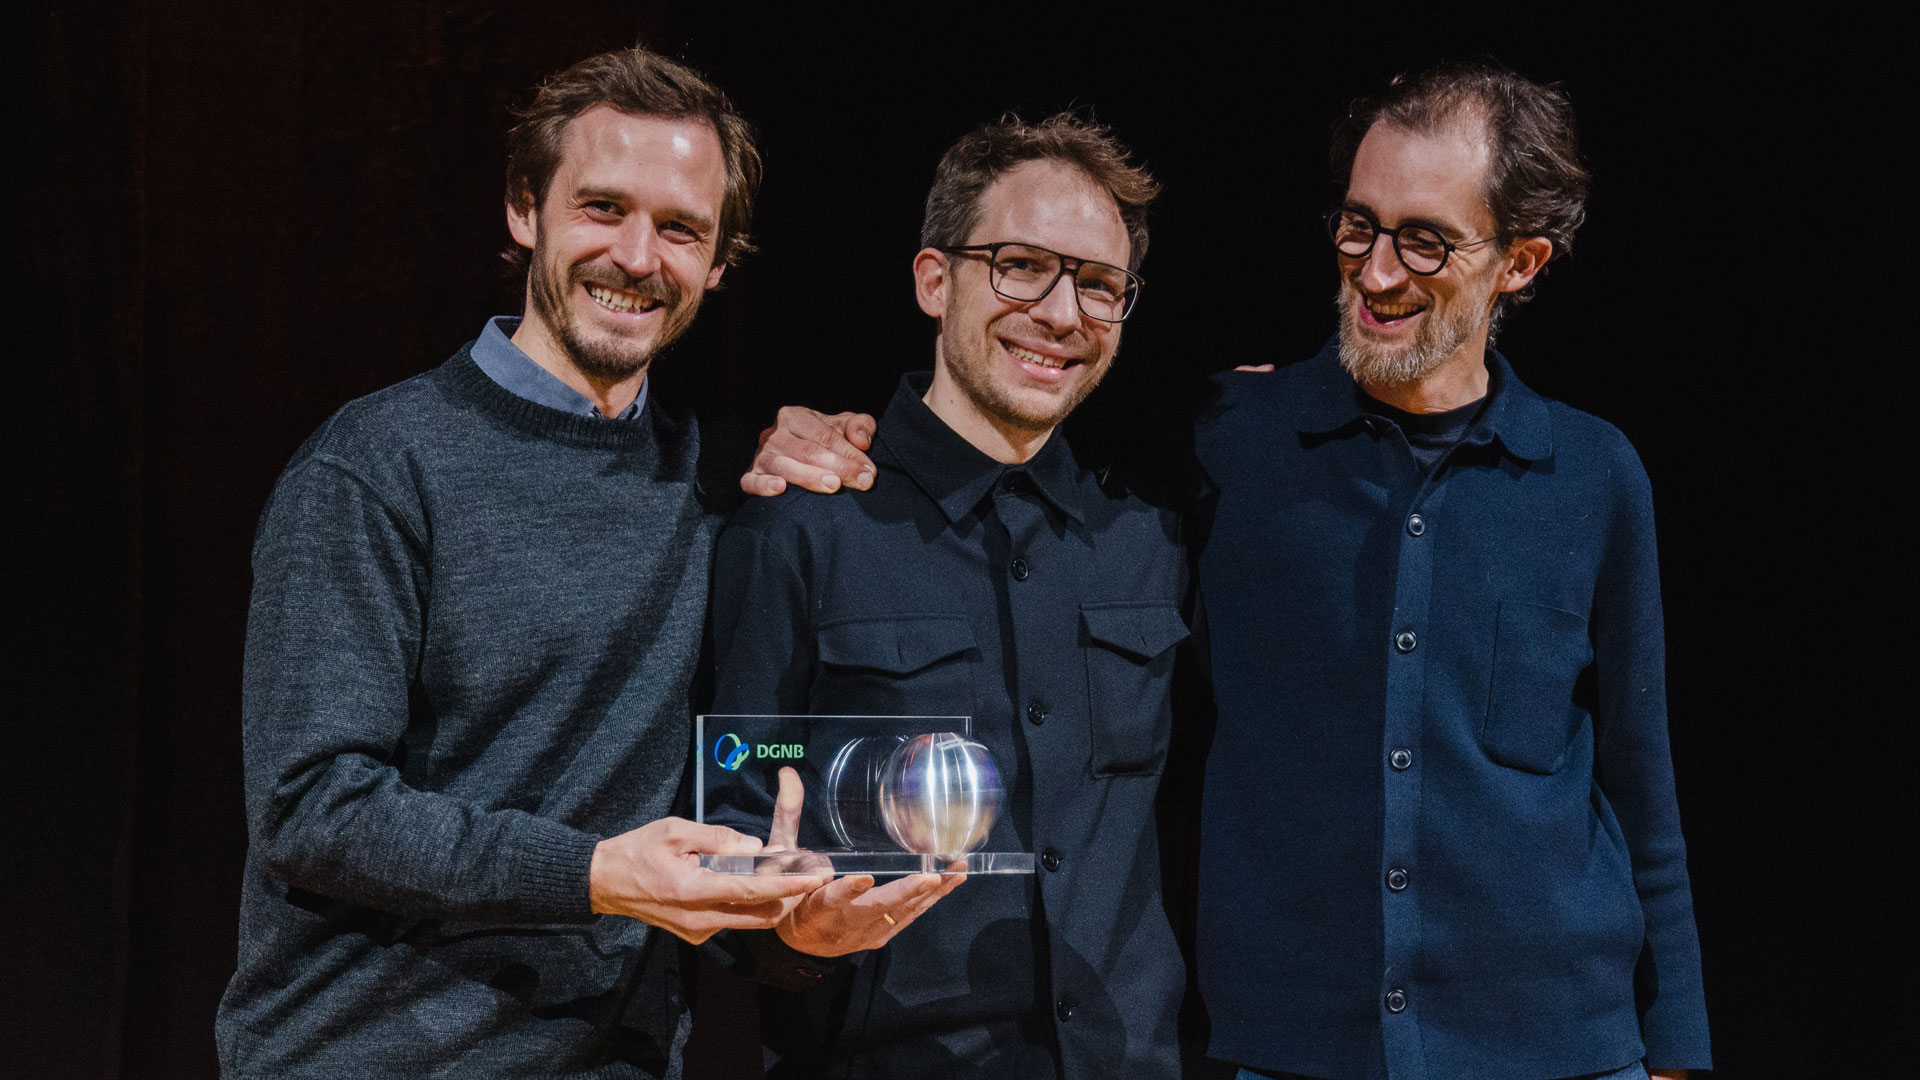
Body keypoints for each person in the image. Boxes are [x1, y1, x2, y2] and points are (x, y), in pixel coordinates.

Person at [748, 62, 1710, 1080]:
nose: (1376, 270)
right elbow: (1003, 404)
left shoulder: (1594, 474)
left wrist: (1677, 1047)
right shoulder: (1228, 440)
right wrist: (796, 427)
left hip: (1564, 1048)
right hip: (1299, 1050)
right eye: (1358, 225)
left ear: (1519, 262)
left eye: (1424, 240)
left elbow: (1640, 786)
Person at [216, 47, 824, 1080]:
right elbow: (312, 807)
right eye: (602, 208)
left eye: (680, 228)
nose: (637, 256)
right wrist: (591, 872)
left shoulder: (711, 485)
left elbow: (733, 763)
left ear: (719, 263)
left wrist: (799, 922)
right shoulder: (374, 467)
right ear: (523, 209)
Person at [707, 113, 1187, 1078]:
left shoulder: (1151, 540)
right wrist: (793, 936)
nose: (1061, 313)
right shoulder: (800, 530)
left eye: (1099, 285)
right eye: (1020, 265)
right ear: (935, 280)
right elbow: (732, 806)